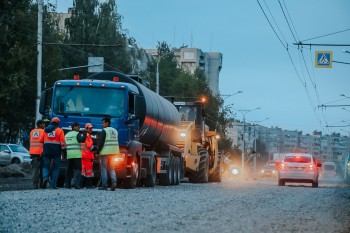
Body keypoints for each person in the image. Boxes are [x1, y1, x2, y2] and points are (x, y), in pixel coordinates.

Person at [41, 117, 66, 189]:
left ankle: (45, 177)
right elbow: (63, 142)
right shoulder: (60, 130)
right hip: (56, 151)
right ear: (58, 123)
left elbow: (41, 140)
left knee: (45, 166)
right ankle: (53, 184)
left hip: (47, 150)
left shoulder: (45, 130)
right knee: (56, 168)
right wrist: (64, 152)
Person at [96, 117, 118, 191]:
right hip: (113, 152)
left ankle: (104, 185)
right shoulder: (115, 131)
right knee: (112, 169)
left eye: (103, 123)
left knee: (104, 169)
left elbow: (101, 143)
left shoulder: (104, 131)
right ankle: (114, 182)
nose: (102, 124)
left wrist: (97, 152)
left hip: (105, 153)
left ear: (107, 123)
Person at [64, 122, 82, 189]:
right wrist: (85, 134)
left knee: (69, 170)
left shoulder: (67, 134)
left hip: (69, 155)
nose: (79, 128)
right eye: (78, 127)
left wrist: (64, 154)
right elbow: (81, 140)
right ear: (74, 127)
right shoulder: (77, 134)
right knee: (78, 169)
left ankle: (67, 185)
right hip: (76, 154)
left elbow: (64, 144)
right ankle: (75, 183)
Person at [29, 120, 45, 189]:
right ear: (40, 124)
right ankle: (41, 184)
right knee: (42, 168)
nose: (44, 125)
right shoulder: (43, 131)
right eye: (43, 124)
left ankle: (35, 185)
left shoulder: (32, 131)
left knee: (35, 170)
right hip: (41, 152)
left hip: (33, 153)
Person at [79, 123, 95, 189]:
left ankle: (81, 185)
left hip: (83, 155)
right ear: (86, 128)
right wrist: (96, 148)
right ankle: (88, 185)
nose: (91, 129)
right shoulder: (88, 136)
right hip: (87, 156)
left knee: (83, 170)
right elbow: (89, 146)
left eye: (91, 128)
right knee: (88, 171)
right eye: (90, 128)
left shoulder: (83, 135)